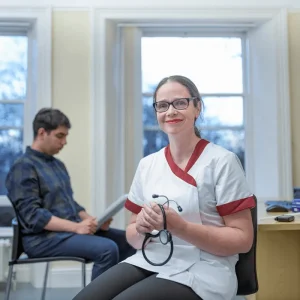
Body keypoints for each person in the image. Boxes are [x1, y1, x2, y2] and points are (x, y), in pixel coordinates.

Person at [73, 75, 256, 300]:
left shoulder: (222, 161)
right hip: (152, 258)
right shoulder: (148, 165)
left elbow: (243, 240)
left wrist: (180, 227)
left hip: (205, 268)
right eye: (162, 105)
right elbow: (132, 233)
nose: (170, 111)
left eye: (180, 103)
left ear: (197, 108)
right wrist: (141, 228)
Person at [5, 108, 135, 281]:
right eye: (60, 136)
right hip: (41, 239)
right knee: (107, 249)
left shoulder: (58, 165)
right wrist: (76, 227)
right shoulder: (23, 167)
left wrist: (94, 222)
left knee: (128, 240)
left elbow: (71, 204)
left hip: (67, 232)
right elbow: (34, 217)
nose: (64, 142)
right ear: (42, 133)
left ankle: (116, 293)